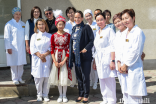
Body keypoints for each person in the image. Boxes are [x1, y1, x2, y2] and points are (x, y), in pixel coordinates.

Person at [118, 9, 147, 104]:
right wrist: (120, 64)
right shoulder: (124, 32)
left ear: (133, 18)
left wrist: (126, 64)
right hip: (123, 68)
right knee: (126, 94)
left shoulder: (138, 32)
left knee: (134, 96)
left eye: (127, 18)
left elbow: (136, 51)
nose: (124, 20)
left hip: (133, 68)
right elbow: (120, 50)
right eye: (123, 19)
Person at [69, 11, 94, 103]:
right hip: (76, 57)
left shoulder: (86, 27)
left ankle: (86, 95)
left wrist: (86, 49)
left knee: (85, 77)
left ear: (82, 18)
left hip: (85, 57)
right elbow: (73, 41)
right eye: (75, 18)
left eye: (79, 17)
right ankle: (81, 94)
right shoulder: (74, 28)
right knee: (79, 77)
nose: (77, 19)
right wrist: (72, 49)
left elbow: (91, 40)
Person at [92, 13, 117, 104]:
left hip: (107, 58)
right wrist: (94, 61)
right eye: (97, 20)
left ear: (105, 19)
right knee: (102, 79)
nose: (99, 22)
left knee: (109, 79)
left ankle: (111, 100)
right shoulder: (98, 32)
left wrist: (112, 61)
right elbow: (96, 48)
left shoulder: (109, 30)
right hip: (99, 59)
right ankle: (105, 98)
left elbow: (113, 46)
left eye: (101, 19)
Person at [48, 15, 73, 103]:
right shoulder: (53, 36)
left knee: (64, 76)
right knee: (58, 76)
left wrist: (64, 60)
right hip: (56, 56)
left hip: (64, 57)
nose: (61, 26)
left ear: (64, 25)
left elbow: (70, 48)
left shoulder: (68, 35)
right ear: (56, 25)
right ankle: (60, 95)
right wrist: (54, 61)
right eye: (59, 24)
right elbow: (51, 48)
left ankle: (65, 95)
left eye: (62, 24)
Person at [30, 19, 51, 102]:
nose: (41, 26)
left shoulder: (49, 36)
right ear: (37, 26)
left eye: (42, 24)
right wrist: (40, 56)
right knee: (38, 79)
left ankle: (45, 95)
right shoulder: (34, 36)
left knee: (46, 78)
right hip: (37, 59)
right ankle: (39, 95)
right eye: (39, 24)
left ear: (45, 25)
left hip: (47, 59)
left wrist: (45, 55)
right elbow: (32, 47)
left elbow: (51, 47)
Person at [4, 7, 26, 85]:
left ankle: (20, 78)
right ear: (13, 14)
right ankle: (15, 78)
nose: (18, 15)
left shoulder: (23, 24)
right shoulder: (9, 24)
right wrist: (8, 47)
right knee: (13, 64)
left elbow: (26, 36)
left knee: (21, 64)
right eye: (16, 14)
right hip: (12, 48)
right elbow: (6, 37)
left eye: (19, 14)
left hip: (21, 48)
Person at [25, 6, 42, 82]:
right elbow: (26, 34)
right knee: (33, 60)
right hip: (32, 45)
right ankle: (33, 76)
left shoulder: (42, 21)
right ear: (32, 13)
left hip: (41, 44)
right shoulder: (29, 22)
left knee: (41, 59)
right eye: (35, 11)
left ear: (40, 13)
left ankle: (41, 75)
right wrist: (27, 45)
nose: (36, 13)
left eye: (38, 11)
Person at [84, 9, 98, 90]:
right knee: (89, 66)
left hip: (96, 48)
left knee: (95, 66)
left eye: (89, 15)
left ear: (92, 16)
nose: (88, 17)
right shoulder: (85, 26)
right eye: (86, 16)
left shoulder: (96, 24)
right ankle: (91, 81)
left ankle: (95, 82)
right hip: (89, 48)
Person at [64, 7, 77, 87]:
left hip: (78, 47)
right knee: (71, 65)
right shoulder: (66, 24)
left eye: (72, 12)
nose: (71, 14)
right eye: (69, 13)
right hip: (69, 47)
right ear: (67, 15)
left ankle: (79, 80)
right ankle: (72, 81)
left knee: (78, 65)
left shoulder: (78, 23)